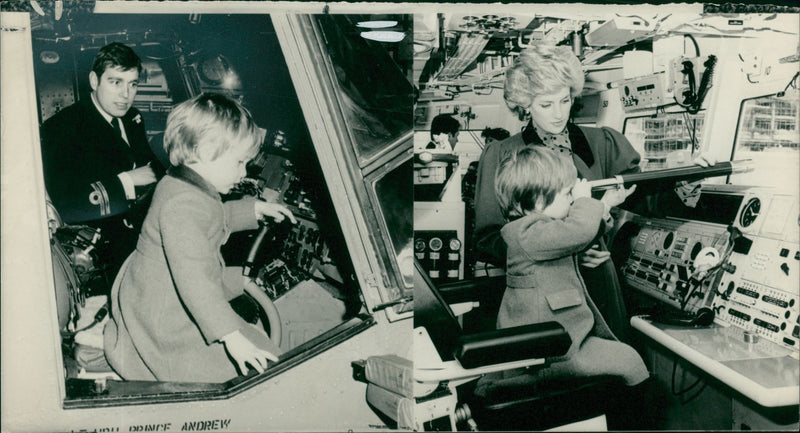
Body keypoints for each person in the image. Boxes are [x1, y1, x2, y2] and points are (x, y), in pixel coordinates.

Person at [104, 93, 296, 383]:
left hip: (160, 297)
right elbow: (194, 279)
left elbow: (212, 218)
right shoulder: (184, 204)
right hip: (166, 320)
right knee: (250, 368)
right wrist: (231, 337)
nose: (244, 173)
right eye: (240, 162)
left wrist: (254, 209)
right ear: (206, 151)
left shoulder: (182, 185)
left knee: (255, 342)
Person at [473, 45, 642, 340]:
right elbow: (489, 239)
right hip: (541, 293)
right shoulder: (501, 155)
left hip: (599, 283)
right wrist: (569, 251)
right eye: (546, 105)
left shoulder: (604, 142)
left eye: (565, 100)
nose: (558, 114)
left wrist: (688, 180)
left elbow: (641, 200)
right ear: (525, 105)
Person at [490, 146, 648, 386]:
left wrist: (605, 205)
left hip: (563, 336)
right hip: (550, 350)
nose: (573, 199)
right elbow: (578, 231)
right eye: (567, 194)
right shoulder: (525, 234)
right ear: (540, 201)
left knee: (625, 357)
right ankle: (637, 418)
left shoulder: (539, 227)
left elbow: (573, 235)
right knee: (629, 361)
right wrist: (585, 200)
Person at [40, 42, 164, 288]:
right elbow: (67, 205)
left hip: (142, 229)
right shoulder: (62, 128)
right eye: (115, 82)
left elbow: (151, 168)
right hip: (101, 251)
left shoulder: (131, 118)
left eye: (133, 84)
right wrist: (127, 181)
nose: (125, 94)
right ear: (94, 81)